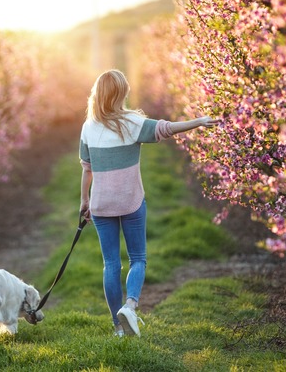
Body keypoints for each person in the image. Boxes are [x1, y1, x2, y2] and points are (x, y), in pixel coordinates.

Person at [79, 69, 218, 337]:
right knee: (138, 259)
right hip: (130, 200)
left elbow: (87, 169)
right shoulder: (132, 122)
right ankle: (130, 306)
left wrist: (84, 201)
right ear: (121, 94)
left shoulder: (88, 127)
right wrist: (198, 121)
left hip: (100, 204)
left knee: (110, 264)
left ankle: (118, 326)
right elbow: (166, 129)